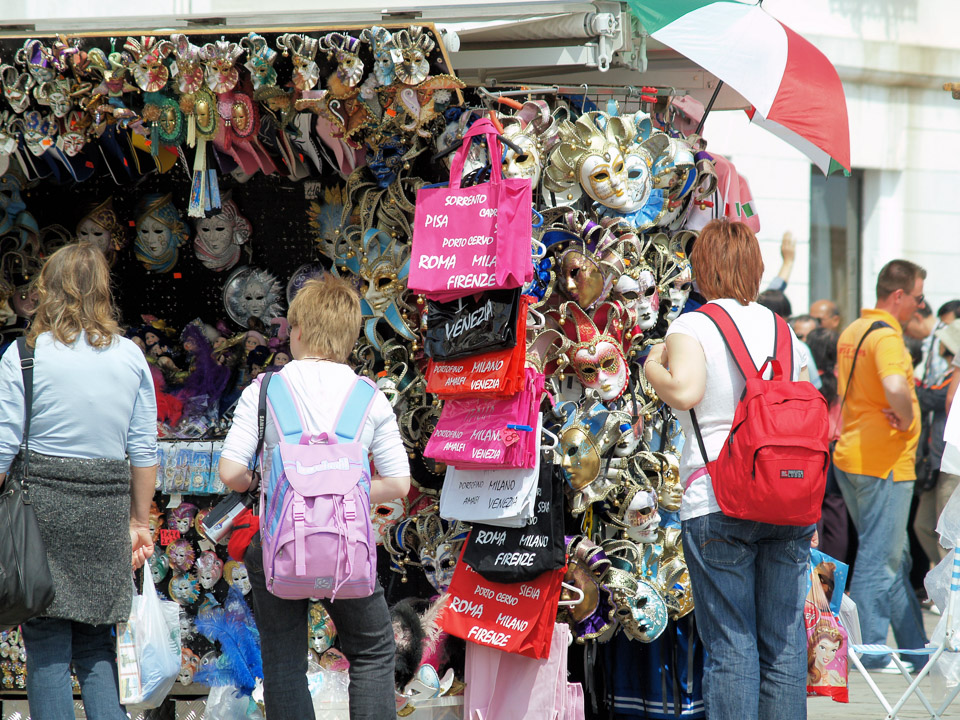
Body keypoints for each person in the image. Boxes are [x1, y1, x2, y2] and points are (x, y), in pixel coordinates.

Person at [219, 274, 410, 720]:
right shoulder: (369, 396)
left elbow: (231, 472)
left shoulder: (265, 390)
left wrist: (270, 485)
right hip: (347, 546)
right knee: (372, 649)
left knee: (283, 659)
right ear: (350, 337)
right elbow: (399, 483)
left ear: (298, 331)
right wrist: (347, 489)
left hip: (279, 545)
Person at [644, 219, 813, 720]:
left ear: (703, 269)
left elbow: (685, 391)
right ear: (756, 267)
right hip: (786, 499)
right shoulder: (783, 329)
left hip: (719, 495)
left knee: (731, 645)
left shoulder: (693, 325)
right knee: (783, 645)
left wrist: (651, 365)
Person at [0, 244, 158, 720]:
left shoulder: (25, 355)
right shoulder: (130, 356)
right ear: (104, 290)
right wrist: (139, 521)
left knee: (47, 646)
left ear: (48, 288)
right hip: (104, 512)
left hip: (39, 512)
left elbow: (3, 449)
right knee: (96, 645)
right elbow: (143, 452)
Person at [832, 259, 927, 672]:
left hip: (854, 455)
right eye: (918, 298)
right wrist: (906, 417)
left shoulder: (854, 329)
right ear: (899, 295)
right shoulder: (887, 337)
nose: (920, 307)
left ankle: (915, 649)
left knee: (895, 557)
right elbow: (893, 385)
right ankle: (869, 652)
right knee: (879, 559)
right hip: (884, 462)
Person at [913, 319, 960, 566]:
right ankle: (941, 578)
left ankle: (950, 584)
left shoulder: (953, 377)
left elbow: (934, 397)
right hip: (937, 459)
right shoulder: (946, 373)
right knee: (923, 524)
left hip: (950, 459)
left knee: (946, 531)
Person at [806, 326, 850, 563]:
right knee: (837, 514)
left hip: (813, 451)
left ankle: (815, 571)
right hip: (838, 450)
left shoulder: (809, 382)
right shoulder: (844, 379)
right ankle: (833, 574)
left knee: (814, 513)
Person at [807, 621, 845, 687]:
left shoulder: (834, 675)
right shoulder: (807, 675)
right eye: (823, 648)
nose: (828, 655)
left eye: (833, 650)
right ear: (814, 647)